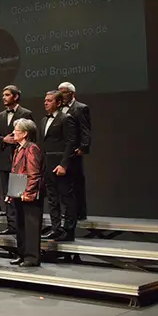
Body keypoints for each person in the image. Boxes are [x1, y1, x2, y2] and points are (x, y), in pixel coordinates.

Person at [0, 85, 34, 237]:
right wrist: (4, 139)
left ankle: (20, 225)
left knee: (17, 192)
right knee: (6, 193)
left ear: (15, 97)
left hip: (19, 160)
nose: (4, 97)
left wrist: (15, 141)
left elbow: (31, 135)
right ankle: (11, 224)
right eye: (3, 95)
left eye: (7, 95)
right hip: (4, 159)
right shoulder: (0, 116)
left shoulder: (26, 113)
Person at [39, 90, 78, 241]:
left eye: (49, 100)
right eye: (45, 100)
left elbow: (70, 143)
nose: (46, 102)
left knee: (67, 198)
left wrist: (64, 164)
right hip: (48, 165)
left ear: (59, 103)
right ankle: (56, 228)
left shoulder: (66, 118)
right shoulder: (43, 120)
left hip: (60, 165)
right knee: (52, 199)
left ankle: (69, 231)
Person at [7, 118, 43, 267]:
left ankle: (31, 257)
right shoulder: (18, 148)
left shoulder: (32, 148)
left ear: (25, 133)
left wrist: (28, 192)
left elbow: (34, 173)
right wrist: (11, 193)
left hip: (28, 194)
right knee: (20, 225)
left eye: (17, 130)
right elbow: (16, 171)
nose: (14, 132)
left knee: (31, 226)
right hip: (18, 191)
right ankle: (21, 254)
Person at [58, 81, 91, 220]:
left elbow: (85, 129)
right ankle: (68, 211)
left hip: (75, 149)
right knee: (64, 183)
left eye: (64, 92)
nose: (61, 95)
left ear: (72, 93)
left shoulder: (80, 108)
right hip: (62, 150)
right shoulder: (59, 108)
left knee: (77, 181)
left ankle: (80, 212)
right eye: (59, 92)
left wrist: (83, 147)